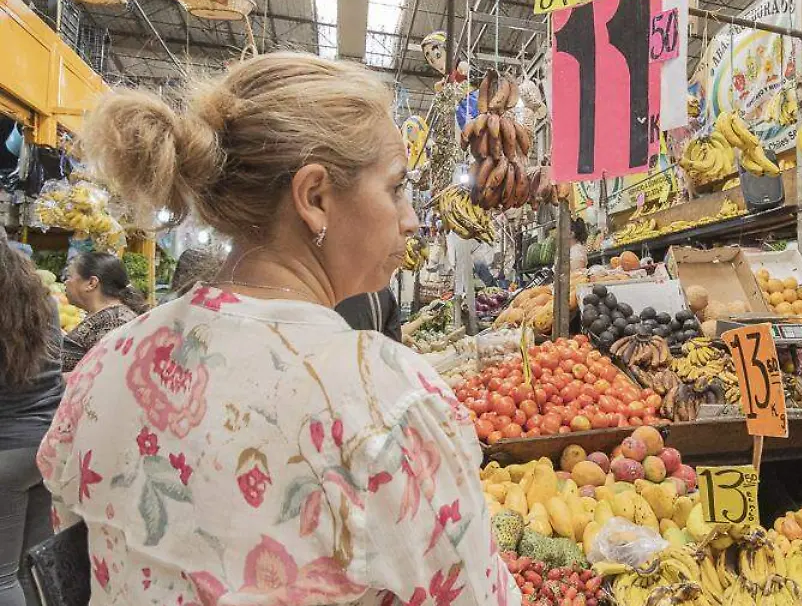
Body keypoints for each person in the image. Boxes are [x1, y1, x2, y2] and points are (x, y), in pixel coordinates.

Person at [37, 52, 519, 606]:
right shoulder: (381, 401)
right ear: (314, 198)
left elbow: (78, 550)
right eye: (395, 188)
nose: (410, 220)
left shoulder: (107, 361)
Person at [0, 231, 63, 606]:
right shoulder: (43, 301)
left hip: (6, 449)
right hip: (45, 445)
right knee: (33, 569)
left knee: (2, 578)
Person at [61, 251, 147, 373]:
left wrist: (57, 379)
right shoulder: (108, 317)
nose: (65, 282)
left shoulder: (115, 323)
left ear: (91, 283)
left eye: (69, 277)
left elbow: (104, 374)